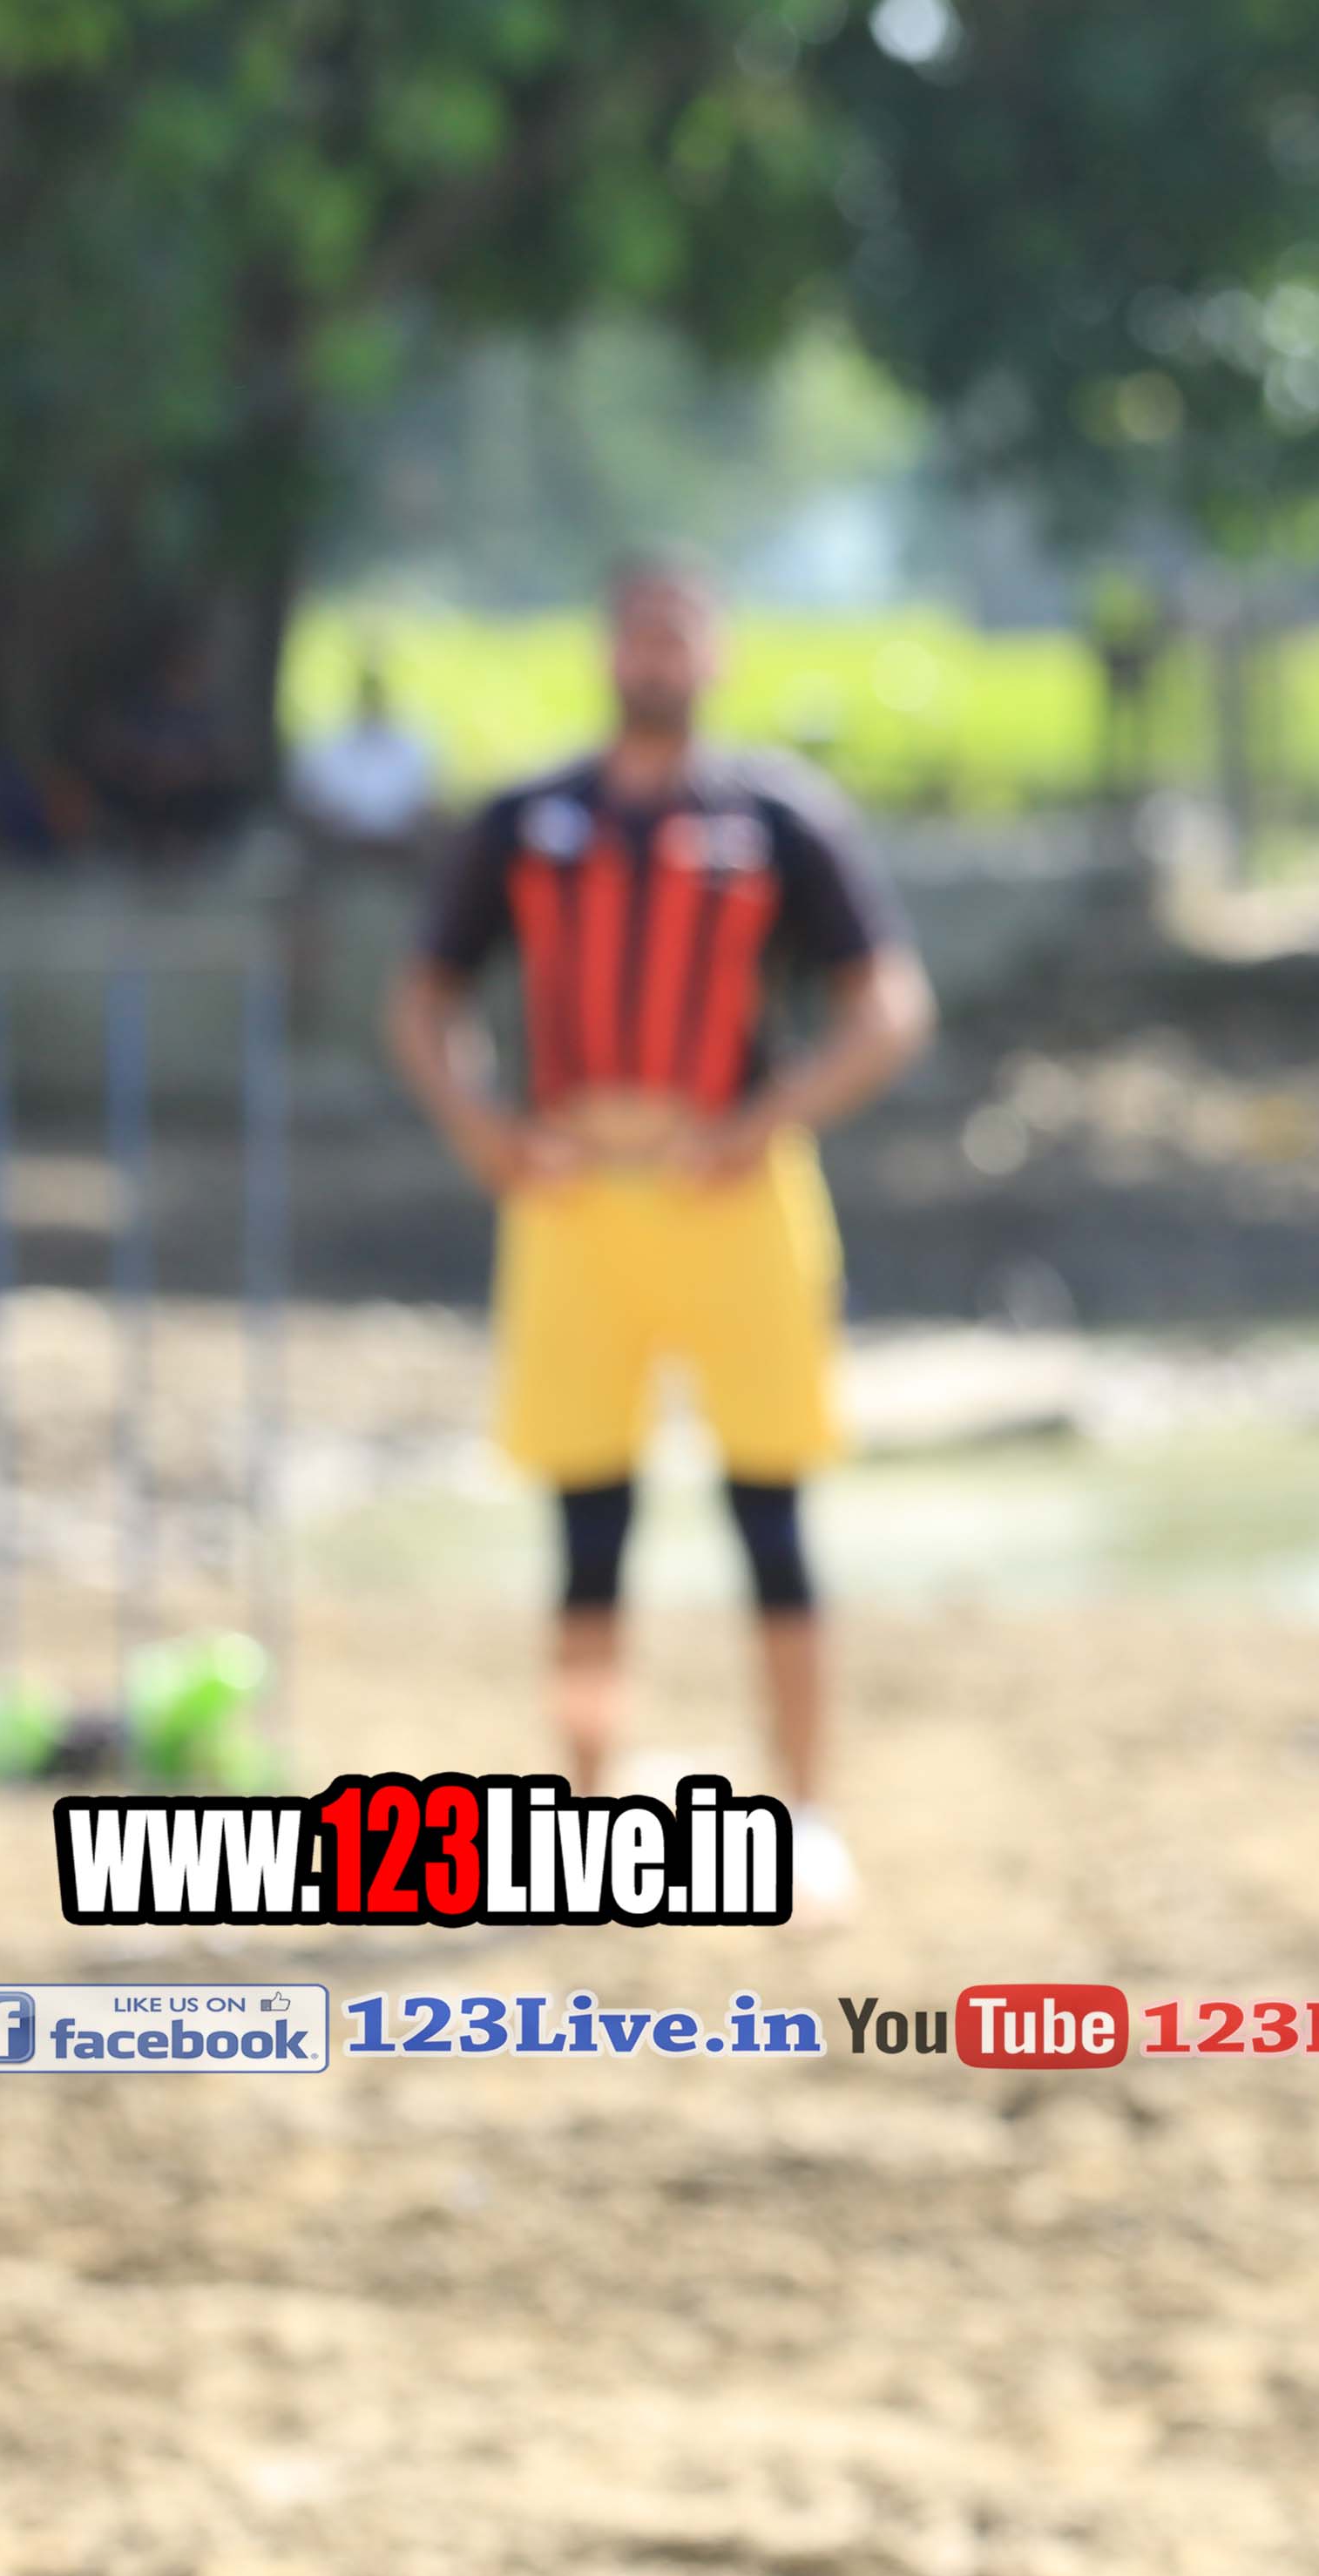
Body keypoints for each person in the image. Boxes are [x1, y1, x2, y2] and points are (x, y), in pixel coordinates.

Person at [385, 551, 933, 1890]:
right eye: (639, 634)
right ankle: (589, 1813)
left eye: (679, 636)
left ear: (715, 654)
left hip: (734, 1198)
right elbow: (425, 999)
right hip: (576, 1203)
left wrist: (768, 1118)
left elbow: (887, 1005)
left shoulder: (777, 818)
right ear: (607, 649)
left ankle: (806, 1814)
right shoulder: (528, 818)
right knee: (588, 1529)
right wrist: (483, 1130)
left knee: (771, 1516)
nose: (657, 657)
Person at [290, 660, 440, 852]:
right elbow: (308, 803)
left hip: (398, 850)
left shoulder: (414, 745)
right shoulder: (325, 743)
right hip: (337, 849)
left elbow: (427, 807)